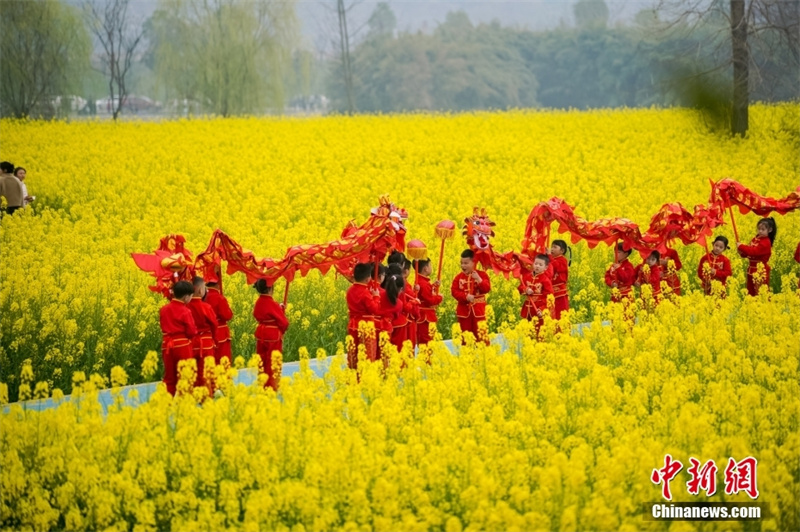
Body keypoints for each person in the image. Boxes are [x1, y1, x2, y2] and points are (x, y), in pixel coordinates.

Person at [159, 281, 197, 396]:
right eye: (191, 296)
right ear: (186, 297)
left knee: (169, 377)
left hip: (167, 345)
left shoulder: (163, 309)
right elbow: (191, 331)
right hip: (182, 346)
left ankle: (167, 403)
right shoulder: (185, 311)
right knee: (185, 376)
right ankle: (184, 404)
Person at [253, 279, 289, 390]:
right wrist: (282, 330)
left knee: (262, 360)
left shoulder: (259, 301)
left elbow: (262, 312)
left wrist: (280, 308)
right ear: (270, 288)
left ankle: (262, 383)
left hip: (261, 334)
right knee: (273, 361)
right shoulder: (272, 303)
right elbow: (284, 322)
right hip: (272, 336)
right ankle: (272, 386)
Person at [451, 249, 491, 344]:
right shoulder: (458, 277)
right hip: (464, 313)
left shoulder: (482, 275)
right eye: (461, 263)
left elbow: (487, 288)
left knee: (482, 337)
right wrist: (465, 297)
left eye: (466, 263)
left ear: (474, 262)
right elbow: (454, 291)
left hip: (479, 312)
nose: (463, 266)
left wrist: (478, 279)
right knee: (465, 338)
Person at [346, 263, 381, 370]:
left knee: (354, 353)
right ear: (367, 279)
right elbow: (375, 310)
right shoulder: (365, 293)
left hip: (353, 325)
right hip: (366, 326)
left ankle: (354, 378)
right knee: (368, 355)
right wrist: (376, 297)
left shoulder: (349, 291)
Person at [188, 277, 218, 392]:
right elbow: (214, 325)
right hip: (205, 343)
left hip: (190, 343)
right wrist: (215, 340)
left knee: (192, 370)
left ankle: (193, 393)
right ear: (200, 291)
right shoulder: (206, 307)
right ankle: (206, 395)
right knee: (206, 371)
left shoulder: (185, 307)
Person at [737, 217, 776, 296]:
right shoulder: (755, 239)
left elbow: (754, 251)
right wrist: (742, 253)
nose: (760, 231)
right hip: (751, 269)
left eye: (763, 229)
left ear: (770, 230)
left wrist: (741, 246)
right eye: (759, 229)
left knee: (760, 293)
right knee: (751, 292)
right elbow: (749, 252)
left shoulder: (766, 242)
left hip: (760, 271)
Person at [519, 254, 553, 337]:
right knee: (527, 333)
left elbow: (549, 297)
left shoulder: (545, 280)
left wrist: (543, 309)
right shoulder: (527, 276)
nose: (537, 266)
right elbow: (520, 287)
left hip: (538, 309)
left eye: (540, 265)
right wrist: (526, 289)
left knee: (539, 332)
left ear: (545, 267)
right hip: (527, 309)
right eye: (536, 263)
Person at [204, 279, 233, 364]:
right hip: (220, 333)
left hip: (208, 334)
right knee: (223, 359)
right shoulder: (219, 298)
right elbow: (227, 315)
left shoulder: (203, 297)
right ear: (218, 283)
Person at [415, 258, 442, 347]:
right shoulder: (424, 283)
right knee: (427, 342)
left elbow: (425, 293)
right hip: (425, 317)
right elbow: (430, 300)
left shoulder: (421, 281)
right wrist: (440, 297)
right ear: (425, 269)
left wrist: (433, 286)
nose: (431, 267)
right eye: (430, 265)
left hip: (424, 316)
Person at [380, 272, 405, 359]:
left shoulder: (379, 294)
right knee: (385, 356)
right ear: (401, 289)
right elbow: (396, 316)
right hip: (386, 329)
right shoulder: (399, 304)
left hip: (374, 327)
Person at [400, 258, 420, 350]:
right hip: (407, 320)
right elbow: (408, 306)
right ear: (406, 271)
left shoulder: (392, 282)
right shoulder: (404, 285)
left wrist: (415, 290)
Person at [549, 240, 570, 319]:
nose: (552, 249)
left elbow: (556, 266)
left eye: (555, 247)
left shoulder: (563, 260)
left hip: (560, 293)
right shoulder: (550, 260)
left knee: (561, 314)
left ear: (562, 251)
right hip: (551, 292)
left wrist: (549, 256)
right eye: (551, 247)